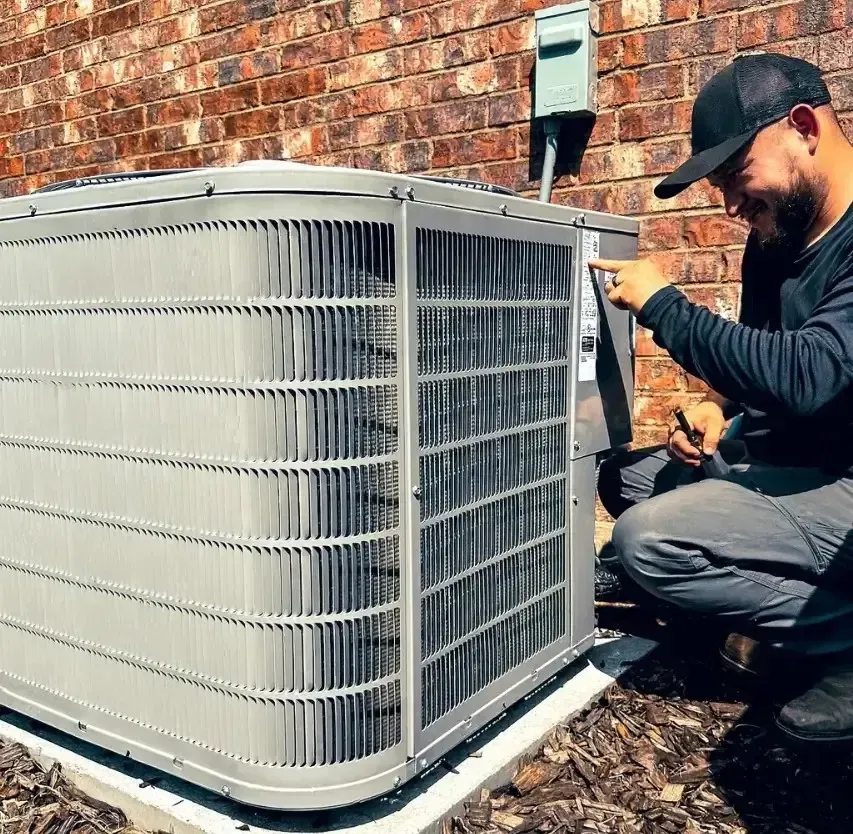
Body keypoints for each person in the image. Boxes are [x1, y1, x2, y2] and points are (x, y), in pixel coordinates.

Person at [589, 52, 853, 743]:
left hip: (845, 489)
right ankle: (751, 609)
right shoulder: (774, 243)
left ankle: (840, 640)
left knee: (647, 541)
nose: (731, 205)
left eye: (736, 176)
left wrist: (664, 308)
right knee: (623, 476)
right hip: (792, 464)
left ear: (802, 127)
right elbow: (759, 364)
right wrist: (717, 410)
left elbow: (810, 373)